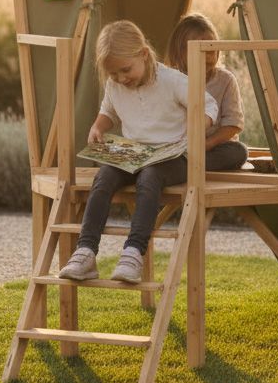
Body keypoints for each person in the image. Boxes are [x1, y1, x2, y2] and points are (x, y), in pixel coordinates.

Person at [59, 20, 217, 285]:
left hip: (173, 156)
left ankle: (133, 254)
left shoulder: (172, 81)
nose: (121, 78)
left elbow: (209, 106)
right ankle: (85, 251)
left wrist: (200, 124)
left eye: (125, 70)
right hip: (133, 153)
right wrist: (98, 127)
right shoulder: (115, 85)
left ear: (144, 54)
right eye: (113, 74)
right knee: (104, 177)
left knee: (149, 179)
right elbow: (108, 112)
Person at [166, 12, 248, 171]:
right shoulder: (171, 79)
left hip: (215, 146)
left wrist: (207, 144)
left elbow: (233, 124)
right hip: (180, 147)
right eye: (199, 51)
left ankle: (185, 166)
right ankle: (183, 164)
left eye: (210, 50)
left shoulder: (225, 80)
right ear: (179, 52)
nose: (206, 57)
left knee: (239, 152)